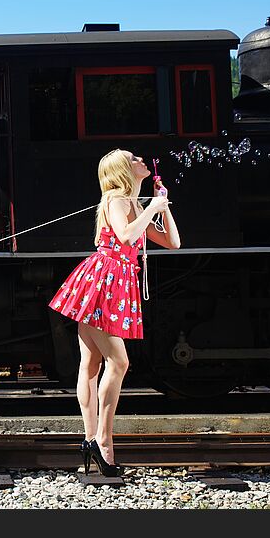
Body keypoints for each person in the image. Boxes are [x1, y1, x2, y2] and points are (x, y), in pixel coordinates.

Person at [48, 149, 181, 477]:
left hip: (112, 283)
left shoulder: (133, 204)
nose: (141, 160)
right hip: (105, 282)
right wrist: (151, 208)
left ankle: (91, 438)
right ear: (124, 169)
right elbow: (125, 235)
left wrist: (162, 206)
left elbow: (173, 242)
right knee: (118, 362)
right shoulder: (117, 200)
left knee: (91, 364)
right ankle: (103, 443)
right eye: (133, 158)